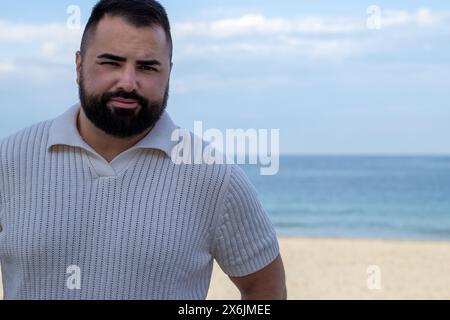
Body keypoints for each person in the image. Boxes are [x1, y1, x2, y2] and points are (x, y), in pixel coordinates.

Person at [0, 0, 286, 300]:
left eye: (147, 67)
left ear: (168, 73)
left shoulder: (215, 178)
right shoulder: (9, 161)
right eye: (111, 62)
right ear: (79, 64)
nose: (128, 82)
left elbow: (265, 290)